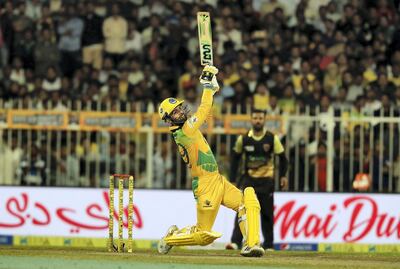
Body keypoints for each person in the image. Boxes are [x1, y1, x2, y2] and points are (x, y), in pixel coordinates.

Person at [157, 65, 265, 257]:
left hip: (217, 179)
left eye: (179, 108)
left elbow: (206, 113)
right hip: (205, 185)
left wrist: (213, 89)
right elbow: (205, 108)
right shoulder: (185, 132)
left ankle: (250, 244)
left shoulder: (188, 127)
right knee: (203, 235)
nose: (180, 112)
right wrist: (207, 85)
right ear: (168, 120)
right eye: (174, 112)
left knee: (248, 200)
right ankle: (170, 238)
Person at [226, 109, 288, 251]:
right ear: (251, 120)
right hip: (249, 182)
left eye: (260, 118)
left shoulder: (272, 138)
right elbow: (235, 158)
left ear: (264, 119)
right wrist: (233, 180)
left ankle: (269, 245)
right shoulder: (244, 138)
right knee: (242, 211)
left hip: (266, 181)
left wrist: (283, 175)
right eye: (255, 118)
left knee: (267, 214)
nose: (258, 120)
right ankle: (235, 242)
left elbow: (283, 158)